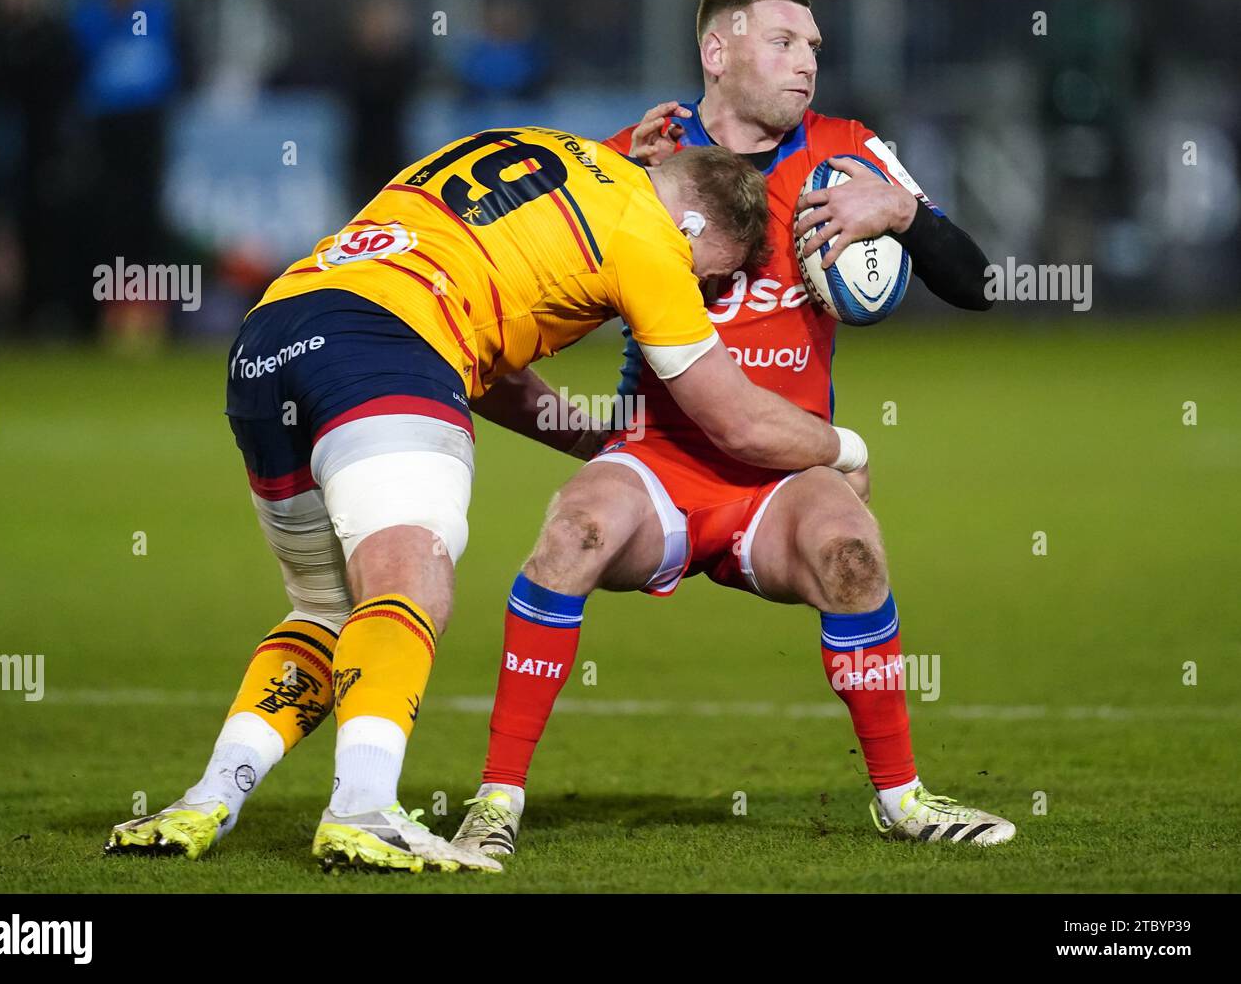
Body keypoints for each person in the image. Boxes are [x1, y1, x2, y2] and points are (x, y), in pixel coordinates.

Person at [105, 124, 871, 873]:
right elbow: (733, 417)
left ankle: (210, 797)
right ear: (694, 221)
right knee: (412, 576)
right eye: (710, 273)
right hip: (390, 346)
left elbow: (486, 347)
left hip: (273, 336)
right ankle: (363, 807)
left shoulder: (544, 150)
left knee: (328, 610)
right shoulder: (648, 236)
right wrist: (846, 449)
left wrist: (587, 441)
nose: (703, 290)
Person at [451, 0, 1016, 859]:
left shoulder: (851, 154)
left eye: (816, 48)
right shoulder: (636, 161)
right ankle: (496, 801)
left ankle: (904, 801)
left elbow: (981, 286)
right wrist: (584, 434)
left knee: (852, 555)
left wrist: (901, 212)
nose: (807, 65)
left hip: (784, 471)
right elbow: (521, 304)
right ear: (718, 52)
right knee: (572, 534)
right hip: (658, 466)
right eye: (785, 42)